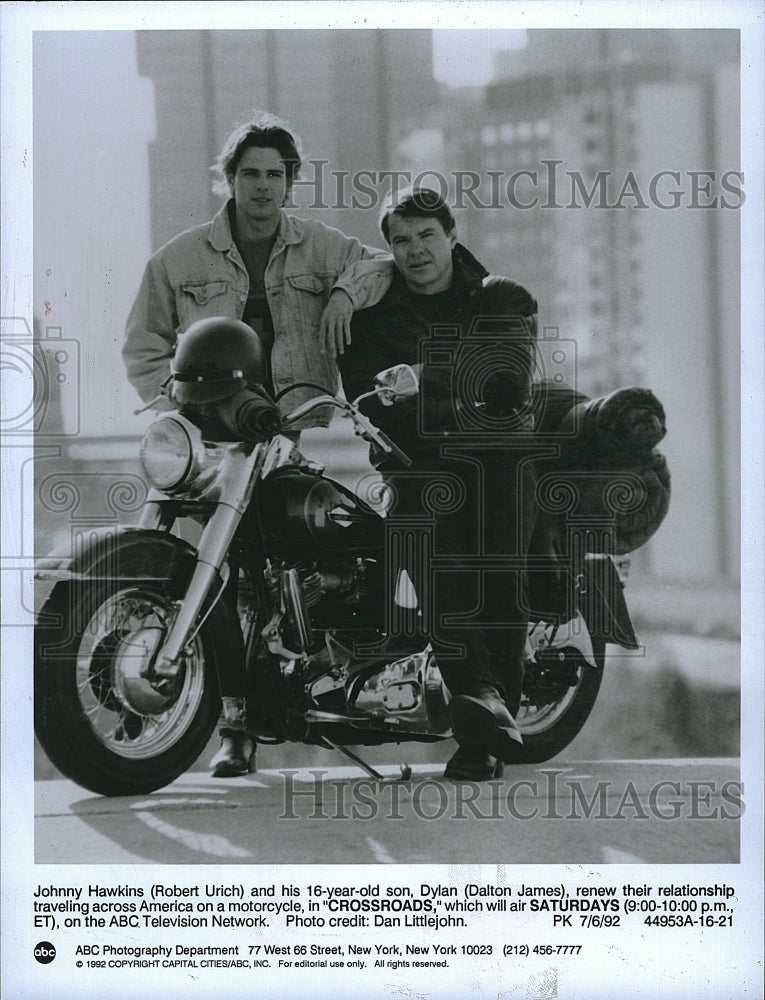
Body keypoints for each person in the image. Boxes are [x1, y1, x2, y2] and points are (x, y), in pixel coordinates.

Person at [123, 112, 390, 776]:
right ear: (229, 179)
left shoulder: (319, 246)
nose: (262, 187)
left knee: (265, 570)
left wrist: (339, 295)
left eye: (275, 174)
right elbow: (144, 345)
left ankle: (239, 725)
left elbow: (377, 268)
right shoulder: (179, 258)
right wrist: (175, 400)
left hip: (282, 431)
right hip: (206, 435)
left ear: (291, 181)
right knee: (190, 565)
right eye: (250, 174)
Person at [337, 186, 539, 781]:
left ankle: (488, 734)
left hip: (500, 457)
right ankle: (478, 700)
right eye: (400, 240)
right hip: (416, 462)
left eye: (426, 235)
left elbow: (507, 378)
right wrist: (449, 396)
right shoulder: (370, 321)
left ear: (452, 235)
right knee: (423, 546)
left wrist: (426, 376)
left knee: (498, 570)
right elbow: (371, 402)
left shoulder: (501, 295)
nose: (415, 250)